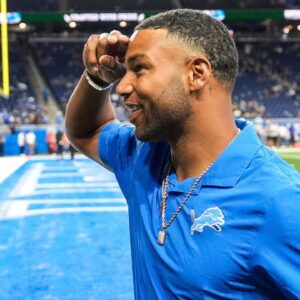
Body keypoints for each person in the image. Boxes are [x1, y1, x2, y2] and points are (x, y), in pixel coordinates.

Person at [65, 9, 300, 299]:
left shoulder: (279, 200)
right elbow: (86, 131)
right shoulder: (145, 159)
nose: (122, 86)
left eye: (139, 68)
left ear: (196, 74)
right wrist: (97, 79)